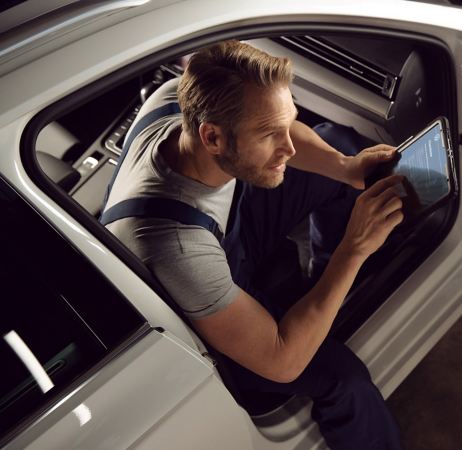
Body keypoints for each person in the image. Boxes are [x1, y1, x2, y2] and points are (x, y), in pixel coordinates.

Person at [102, 40, 405, 449]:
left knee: (342, 146)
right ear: (212, 137)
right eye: (269, 135)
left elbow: (281, 128)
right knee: (346, 381)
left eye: (287, 124)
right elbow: (282, 361)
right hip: (216, 322)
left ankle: (323, 291)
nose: (290, 147)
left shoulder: (175, 100)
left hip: (226, 235)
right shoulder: (173, 244)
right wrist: (356, 247)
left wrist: (344, 167)